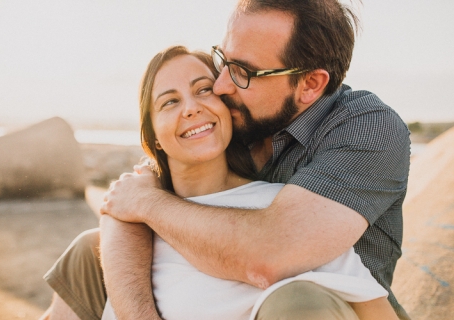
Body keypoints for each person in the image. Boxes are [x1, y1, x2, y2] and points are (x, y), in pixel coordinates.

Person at [44, 0, 411, 319]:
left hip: (328, 306)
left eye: (244, 72)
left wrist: (145, 202)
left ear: (310, 85)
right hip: (218, 281)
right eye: (224, 60)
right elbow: (136, 193)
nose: (221, 85)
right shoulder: (234, 117)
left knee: (296, 300)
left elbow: (270, 255)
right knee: (87, 251)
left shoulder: (366, 128)